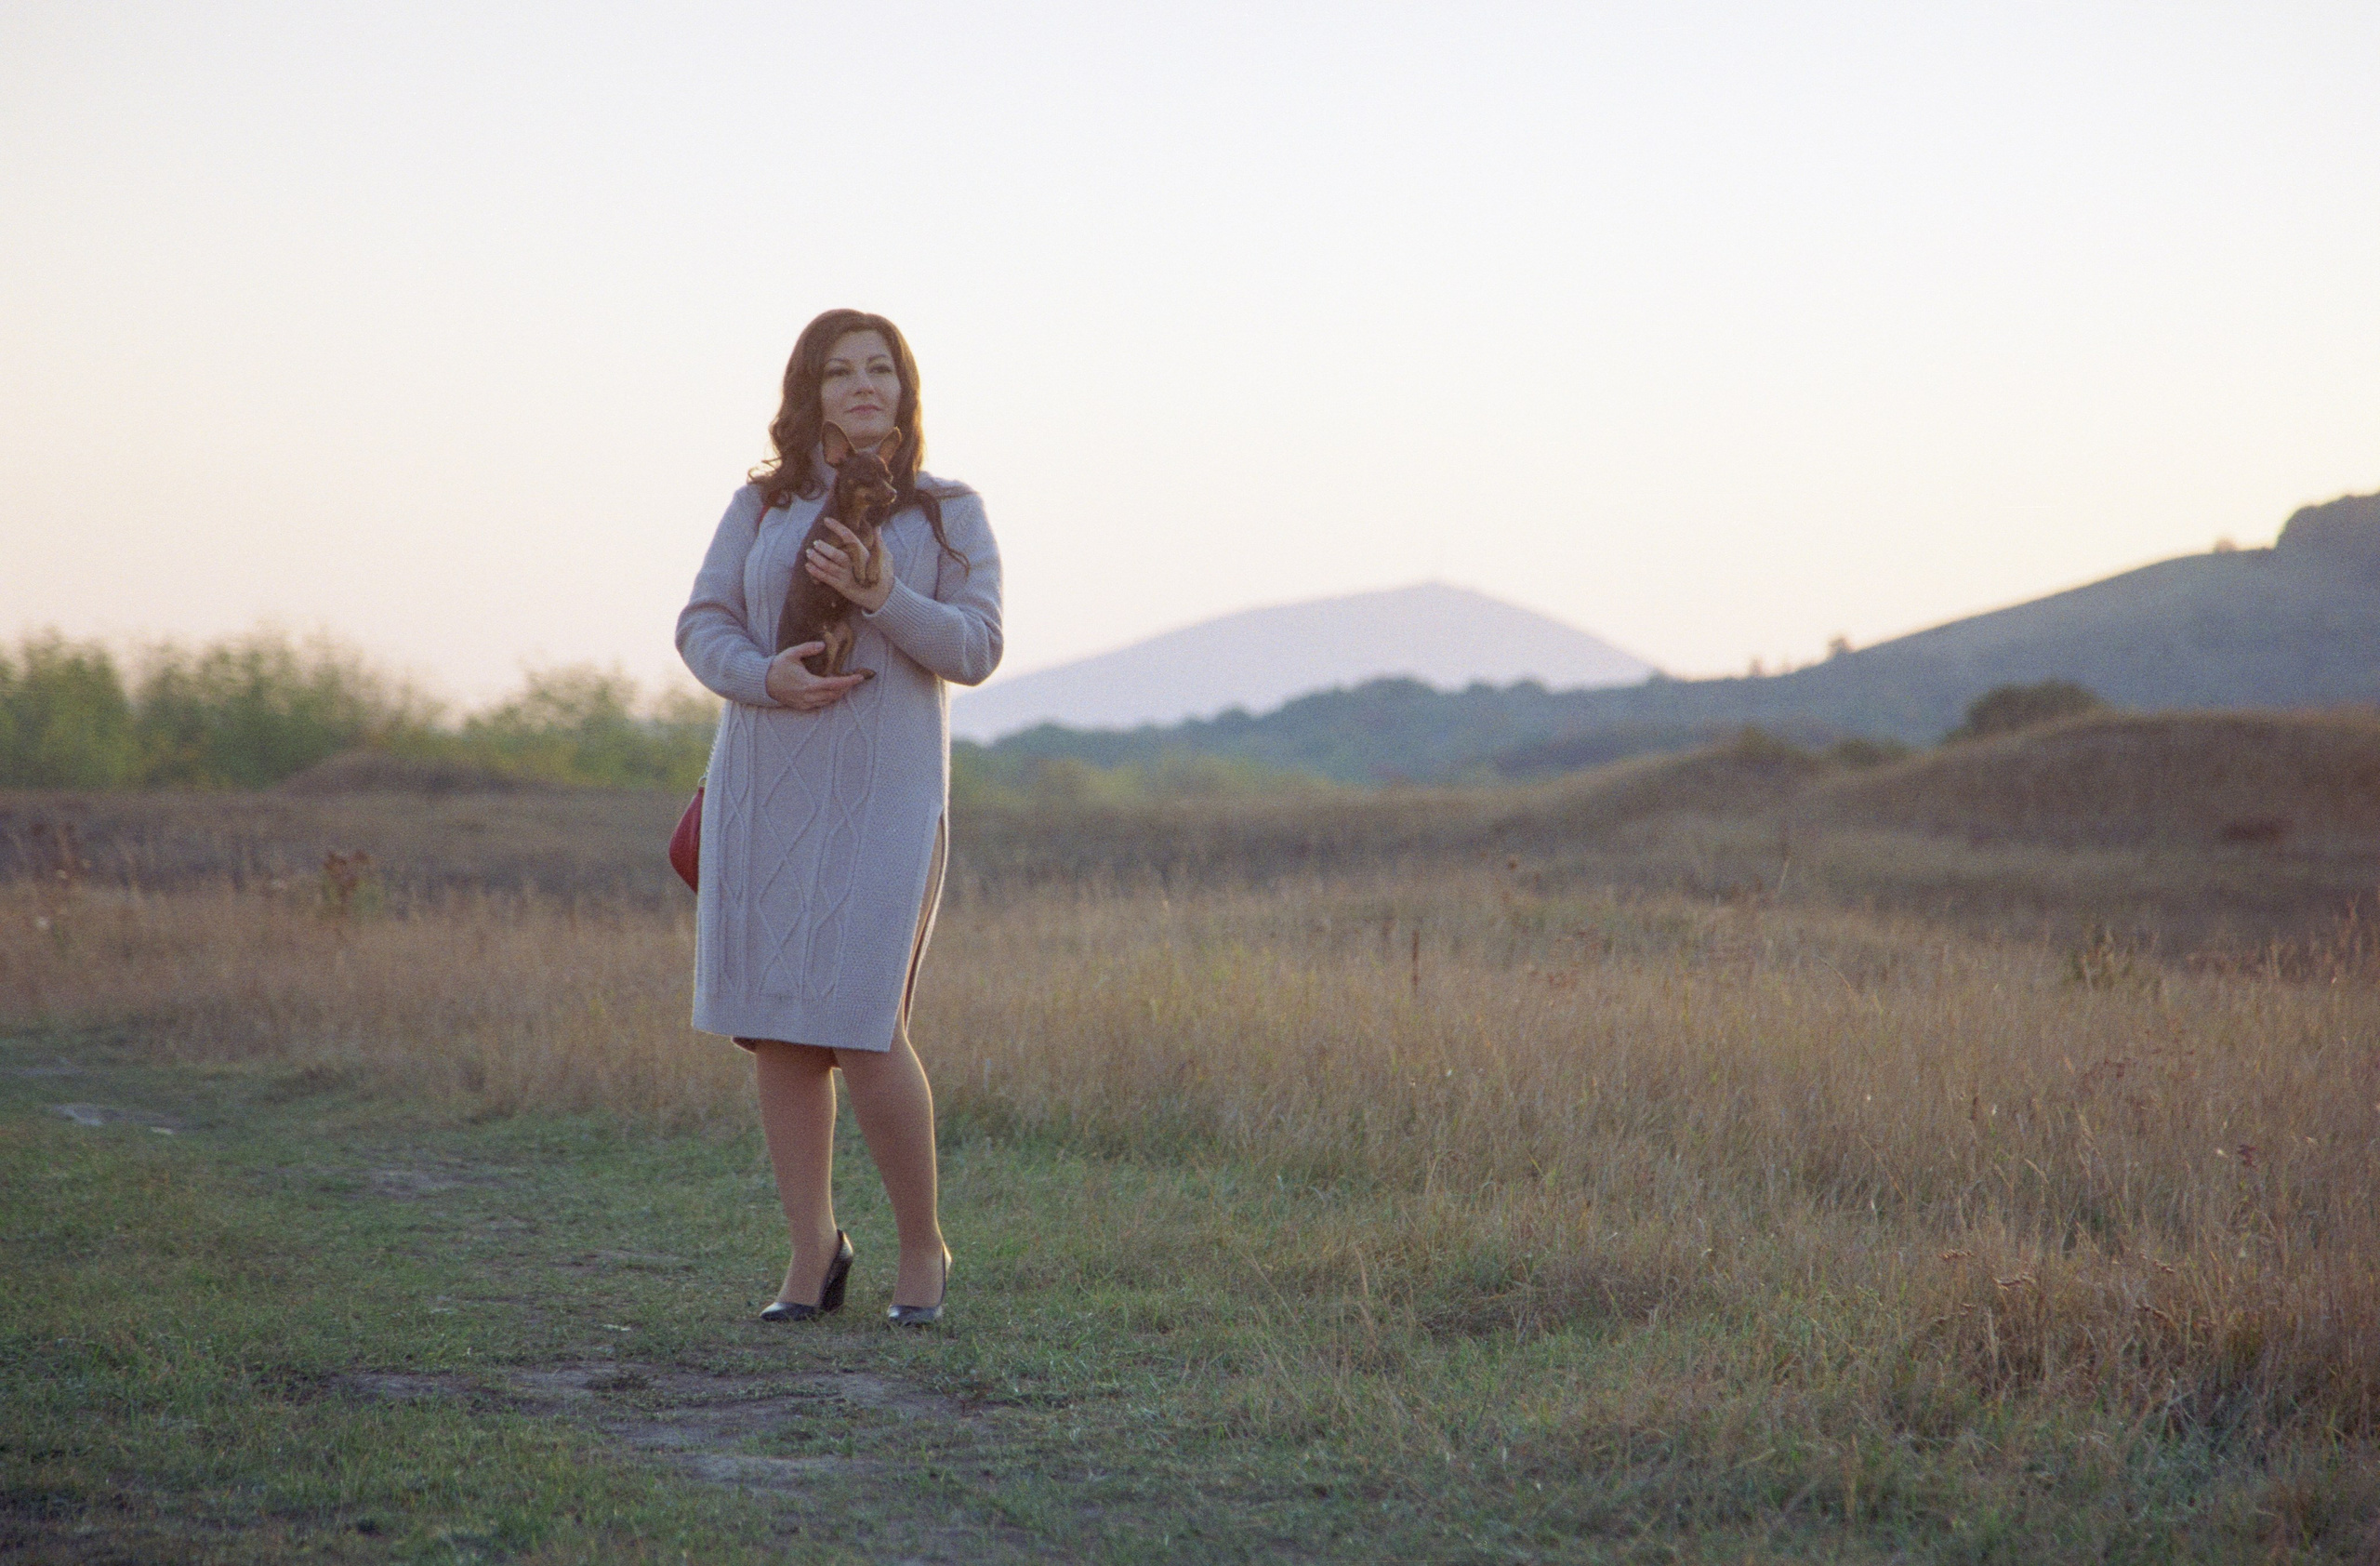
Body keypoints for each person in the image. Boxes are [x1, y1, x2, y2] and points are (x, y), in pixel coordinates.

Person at [675, 308, 1001, 1326]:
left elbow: (977, 649)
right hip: (766, 779)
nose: (863, 386)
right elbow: (701, 624)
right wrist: (761, 675)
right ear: (808, 394)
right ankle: (812, 1254)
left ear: (904, 393)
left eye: (881, 370)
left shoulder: (950, 512)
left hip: (888, 798)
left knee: (865, 1027)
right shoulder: (763, 505)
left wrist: (888, 594)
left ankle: (922, 1252)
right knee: (777, 1030)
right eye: (839, 371)